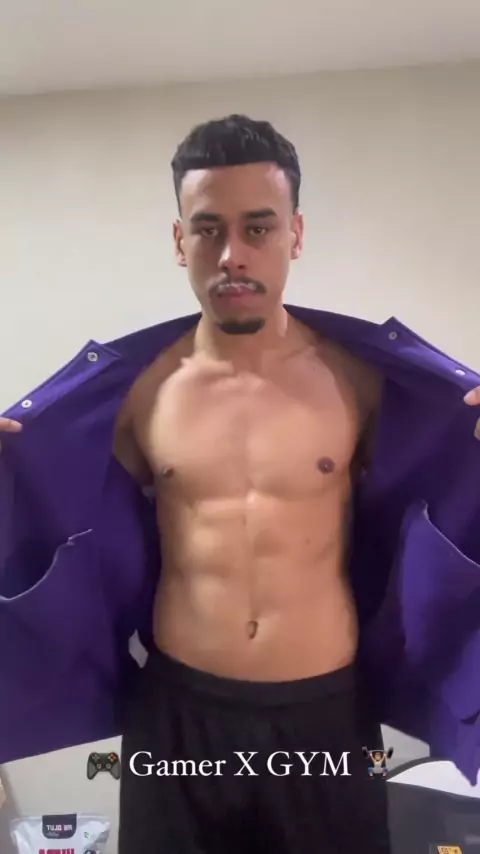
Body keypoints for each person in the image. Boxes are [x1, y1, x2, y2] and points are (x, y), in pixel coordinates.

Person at [2, 115, 480, 853]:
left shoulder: (360, 382)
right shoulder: (141, 392)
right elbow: (44, 501)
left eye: (258, 228)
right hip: (180, 712)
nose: (233, 255)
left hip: (326, 713)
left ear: (295, 234)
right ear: (179, 241)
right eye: (208, 230)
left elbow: (446, 487)